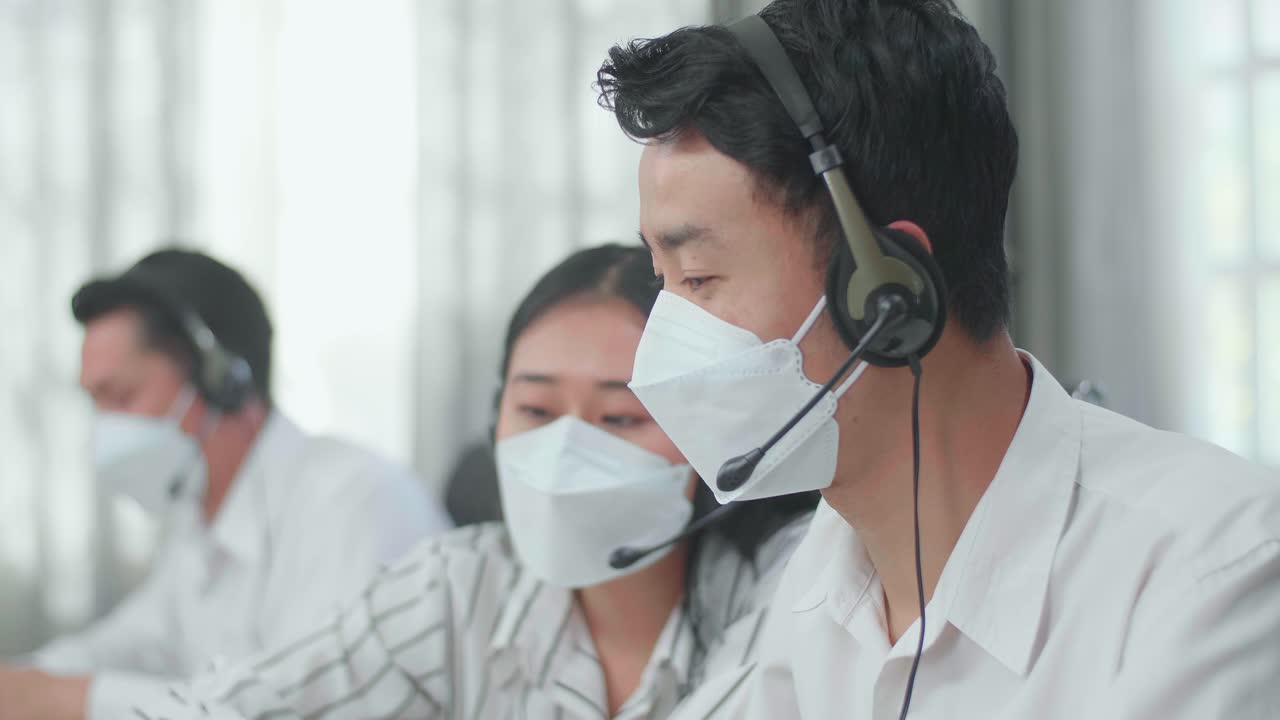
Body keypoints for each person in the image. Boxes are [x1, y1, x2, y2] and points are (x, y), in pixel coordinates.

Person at [594, 1, 1280, 718]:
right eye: (662, 280)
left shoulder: (1214, 574)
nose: (664, 337)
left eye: (698, 277)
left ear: (887, 293)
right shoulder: (819, 584)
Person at [126, 244, 817, 719]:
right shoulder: (458, 586)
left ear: (709, 437)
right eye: (537, 411)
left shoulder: (789, 589)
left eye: (619, 415)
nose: (567, 448)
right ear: (495, 425)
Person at [0, 249, 452, 720]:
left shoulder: (355, 502)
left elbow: (300, 709)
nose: (104, 427)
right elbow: (135, 643)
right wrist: (28, 683)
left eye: (121, 396)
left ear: (223, 381)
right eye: (96, 402)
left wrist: (69, 700)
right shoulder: (198, 520)